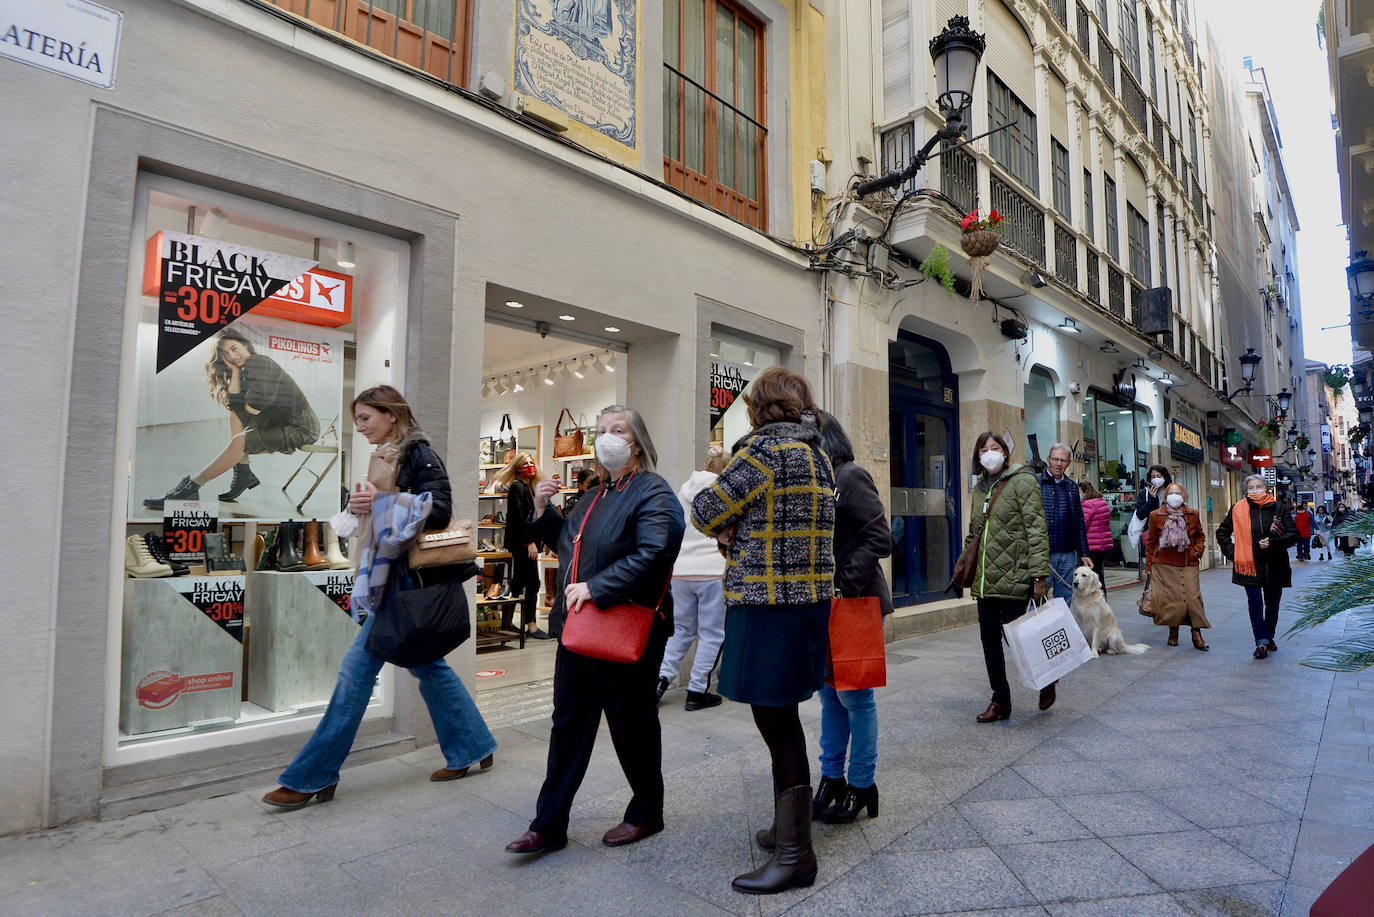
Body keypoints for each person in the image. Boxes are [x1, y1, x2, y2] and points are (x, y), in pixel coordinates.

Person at [262, 385, 496, 809]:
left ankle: (311, 776)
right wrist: (361, 506)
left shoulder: (418, 452)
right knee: (430, 669)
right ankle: (472, 746)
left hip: (404, 586)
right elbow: (387, 511)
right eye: (358, 420)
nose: (361, 427)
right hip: (395, 587)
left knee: (356, 675)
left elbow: (440, 510)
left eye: (366, 417)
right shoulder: (390, 454)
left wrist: (383, 501)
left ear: (391, 414)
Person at [505, 405, 684, 855]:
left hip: (625, 627)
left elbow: (658, 550)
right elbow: (569, 544)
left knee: (631, 725)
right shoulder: (595, 494)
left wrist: (599, 587)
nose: (607, 437)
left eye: (617, 430)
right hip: (581, 628)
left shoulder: (653, 491)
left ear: (637, 442)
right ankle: (548, 824)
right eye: (601, 430)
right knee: (568, 723)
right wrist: (543, 510)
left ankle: (647, 811)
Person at [691, 366, 835, 895]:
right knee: (785, 717)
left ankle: (797, 855)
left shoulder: (763, 451)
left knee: (775, 723)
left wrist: (731, 530)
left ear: (758, 407)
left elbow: (705, 509)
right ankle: (788, 829)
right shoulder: (818, 455)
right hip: (808, 605)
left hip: (768, 601)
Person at [813, 410, 892, 826]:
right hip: (828, 603)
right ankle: (831, 777)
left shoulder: (849, 476)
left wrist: (844, 580)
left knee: (855, 698)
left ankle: (863, 784)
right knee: (830, 695)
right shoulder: (820, 481)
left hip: (855, 602)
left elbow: (881, 536)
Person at [145, 327, 320, 508]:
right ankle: (243, 472)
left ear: (246, 346)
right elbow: (235, 406)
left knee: (240, 441)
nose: (232, 356)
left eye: (234, 348)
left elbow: (255, 407)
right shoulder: (245, 370)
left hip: (300, 426)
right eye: (226, 354)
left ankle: (192, 486)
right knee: (235, 416)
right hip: (281, 421)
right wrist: (235, 372)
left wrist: (247, 415)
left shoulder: (259, 362)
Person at [965, 431, 1051, 723]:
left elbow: (1036, 529)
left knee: (1019, 640)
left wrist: (1039, 574)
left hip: (1016, 574)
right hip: (986, 579)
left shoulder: (1023, 481)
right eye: (984, 449)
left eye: (995, 447)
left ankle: (1046, 678)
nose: (990, 453)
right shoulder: (978, 490)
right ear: (978, 456)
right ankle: (1000, 699)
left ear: (1005, 452)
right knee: (990, 642)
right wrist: (966, 566)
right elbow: (974, 533)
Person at [656, 446, 729, 711]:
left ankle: (660, 680)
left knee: (682, 631)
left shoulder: (683, 490)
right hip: (712, 570)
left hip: (681, 570)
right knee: (712, 634)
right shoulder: (724, 493)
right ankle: (698, 690)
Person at [1217, 474, 1299, 660]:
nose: (1254, 491)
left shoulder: (1279, 508)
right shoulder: (1238, 509)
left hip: (1275, 564)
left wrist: (1273, 542)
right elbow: (1222, 533)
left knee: (1272, 605)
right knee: (1255, 604)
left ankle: (1269, 635)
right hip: (1249, 565)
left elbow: (1293, 534)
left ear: (1267, 488)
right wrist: (1234, 554)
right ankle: (1261, 642)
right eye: (1251, 488)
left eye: (1258, 487)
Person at [1143, 482, 1211, 650]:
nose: (1174, 496)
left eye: (1177, 492)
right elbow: (1150, 542)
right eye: (1171, 492)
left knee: (1193, 598)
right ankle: (1173, 632)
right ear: (1166, 496)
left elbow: (1200, 536)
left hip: (1188, 562)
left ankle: (1197, 633)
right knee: (1172, 600)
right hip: (1164, 564)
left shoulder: (1192, 514)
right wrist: (1149, 565)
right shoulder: (1155, 515)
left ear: (1184, 495)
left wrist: (1197, 552)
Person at [494, 452, 551, 640]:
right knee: (532, 582)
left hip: (525, 542)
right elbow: (519, 518)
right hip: (523, 543)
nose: (530, 466)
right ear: (518, 467)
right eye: (526, 463)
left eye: (531, 462)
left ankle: (509, 623)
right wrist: (530, 542)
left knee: (520, 581)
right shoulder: (518, 488)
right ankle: (530, 625)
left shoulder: (529, 489)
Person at [1038, 444, 1092, 600]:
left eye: (1063, 460)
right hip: (1043, 553)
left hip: (1067, 553)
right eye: (1055, 459)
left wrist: (1084, 553)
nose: (1058, 463)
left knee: (1065, 598)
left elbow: (1079, 521)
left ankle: (1061, 625)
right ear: (1048, 460)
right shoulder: (1036, 483)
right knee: (1038, 597)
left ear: (1068, 463)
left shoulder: (1072, 487)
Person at [1079, 480, 1113, 591]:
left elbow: (1082, 524)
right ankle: (1102, 600)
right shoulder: (1101, 502)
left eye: (1079, 492)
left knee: (1090, 576)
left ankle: (1095, 601)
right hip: (1102, 545)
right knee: (1098, 574)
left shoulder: (1088, 504)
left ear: (1084, 491)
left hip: (1091, 544)